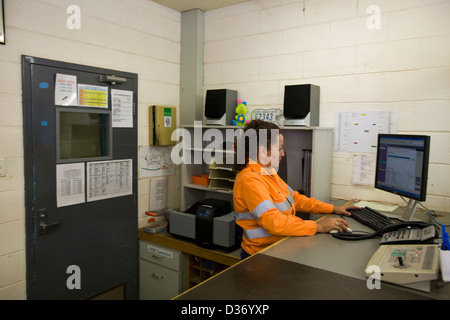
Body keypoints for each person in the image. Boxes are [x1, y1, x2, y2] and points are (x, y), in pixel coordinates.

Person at [233, 120, 359, 259]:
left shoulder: (268, 172)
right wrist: (318, 226)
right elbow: (273, 222)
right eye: (279, 148)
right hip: (260, 257)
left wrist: (332, 209)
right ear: (263, 150)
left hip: (279, 248)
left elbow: (296, 199)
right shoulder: (250, 180)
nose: (283, 154)